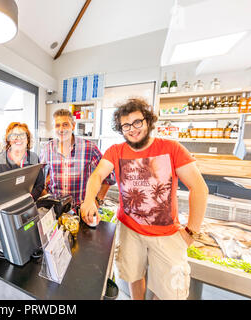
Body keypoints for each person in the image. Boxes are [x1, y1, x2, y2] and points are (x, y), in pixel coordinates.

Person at [80, 98, 209, 300]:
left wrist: (192, 231)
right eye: (126, 125)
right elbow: (97, 175)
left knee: (170, 293)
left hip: (166, 233)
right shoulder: (116, 151)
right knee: (133, 276)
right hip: (129, 230)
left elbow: (199, 188)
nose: (132, 129)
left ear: (148, 121)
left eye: (137, 122)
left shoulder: (172, 148)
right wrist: (89, 199)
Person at [39, 108, 115, 207]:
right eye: (57, 125)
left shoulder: (89, 147)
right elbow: (38, 175)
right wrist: (45, 195)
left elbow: (109, 176)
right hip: (55, 209)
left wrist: (98, 199)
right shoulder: (47, 148)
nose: (61, 129)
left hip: (81, 209)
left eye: (65, 124)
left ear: (73, 126)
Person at [0, 122, 45, 201]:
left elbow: (39, 185)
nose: (18, 138)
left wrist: (30, 197)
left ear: (27, 140)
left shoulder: (34, 158)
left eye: (23, 135)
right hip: (5, 207)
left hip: (29, 204)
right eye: (14, 135)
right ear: (9, 139)